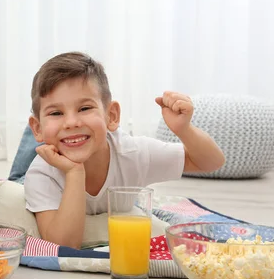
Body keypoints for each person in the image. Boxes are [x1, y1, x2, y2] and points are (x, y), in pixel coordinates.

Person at [24, 52, 225, 248]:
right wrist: (74, 172)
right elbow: (64, 245)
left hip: (79, 142)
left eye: (85, 108)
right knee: (14, 182)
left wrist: (184, 129)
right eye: (56, 112)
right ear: (38, 128)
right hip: (45, 155)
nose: (71, 122)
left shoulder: (132, 153)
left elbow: (211, 162)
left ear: (111, 116)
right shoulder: (41, 173)